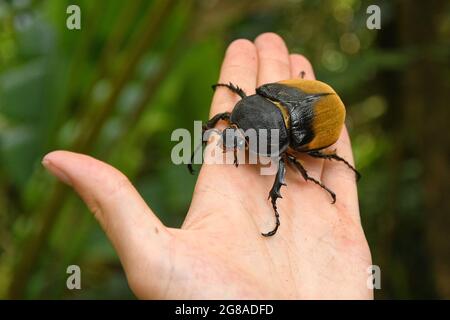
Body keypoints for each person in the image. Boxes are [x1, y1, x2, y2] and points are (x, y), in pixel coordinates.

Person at [42, 33, 373, 299]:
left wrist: (275, 205)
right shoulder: (255, 102)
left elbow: (282, 163)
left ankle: (307, 179)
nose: (235, 136)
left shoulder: (287, 139)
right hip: (287, 99)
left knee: (302, 162)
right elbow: (227, 118)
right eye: (237, 132)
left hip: (313, 114)